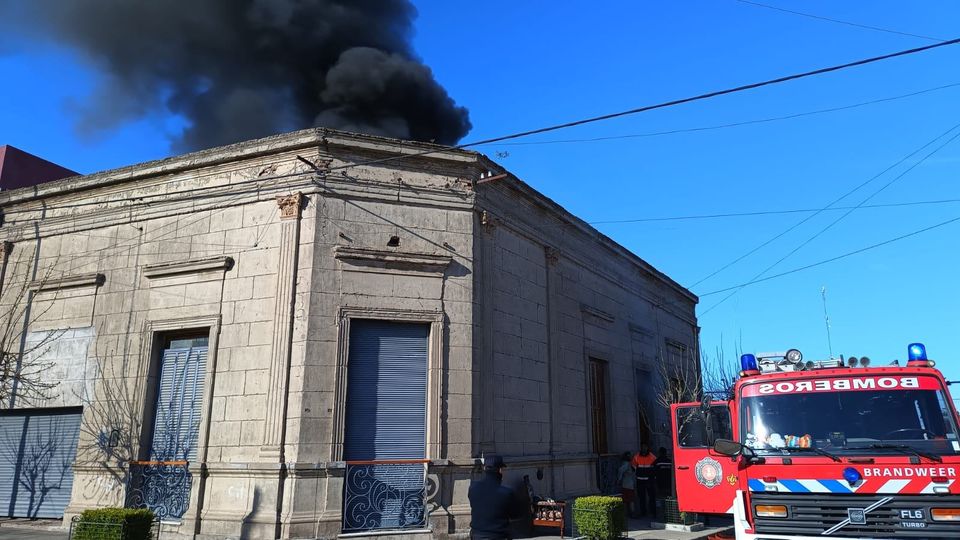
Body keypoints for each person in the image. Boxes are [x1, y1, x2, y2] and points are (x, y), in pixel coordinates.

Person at [469, 455, 525, 540]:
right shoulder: (506, 492)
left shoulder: (473, 488)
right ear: (500, 470)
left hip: (477, 535)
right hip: (498, 536)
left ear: (485, 468)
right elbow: (516, 515)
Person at [631, 443, 657, 517]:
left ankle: (653, 512)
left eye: (645, 447)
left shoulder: (652, 457)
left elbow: (655, 468)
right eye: (643, 447)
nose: (644, 449)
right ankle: (643, 512)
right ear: (641, 448)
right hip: (640, 480)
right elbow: (633, 467)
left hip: (649, 480)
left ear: (647, 448)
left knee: (652, 497)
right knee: (642, 497)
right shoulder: (636, 457)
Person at [617, 451, 638, 518]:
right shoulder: (631, 464)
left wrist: (619, 479)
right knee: (631, 500)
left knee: (626, 500)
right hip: (631, 484)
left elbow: (620, 471)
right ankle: (632, 513)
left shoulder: (626, 464)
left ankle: (628, 513)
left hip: (626, 484)